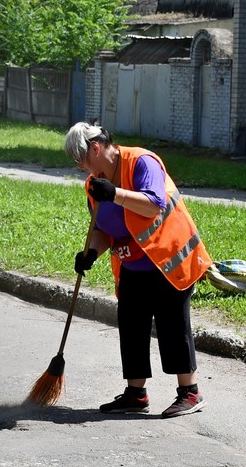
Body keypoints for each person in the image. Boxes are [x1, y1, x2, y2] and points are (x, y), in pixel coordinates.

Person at [64, 122, 213, 418]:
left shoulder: (142, 162)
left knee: (173, 325)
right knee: (132, 326)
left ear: (95, 148)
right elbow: (104, 229)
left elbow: (154, 205)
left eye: (80, 159)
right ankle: (136, 394)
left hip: (168, 260)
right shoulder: (95, 184)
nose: (80, 167)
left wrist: (115, 193)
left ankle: (190, 393)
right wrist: (90, 252)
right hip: (132, 264)